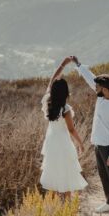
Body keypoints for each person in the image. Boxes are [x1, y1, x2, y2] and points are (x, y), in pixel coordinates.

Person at [71, 56, 109, 216]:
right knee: (104, 175)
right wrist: (79, 65)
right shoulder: (104, 94)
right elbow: (92, 79)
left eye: (97, 86)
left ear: (104, 88)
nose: (94, 87)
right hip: (98, 143)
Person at [39, 56, 88, 195]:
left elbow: (51, 81)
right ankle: (66, 204)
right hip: (63, 142)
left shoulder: (48, 103)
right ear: (66, 92)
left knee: (53, 170)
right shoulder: (65, 109)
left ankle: (54, 206)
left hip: (51, 141)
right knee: (66, 171)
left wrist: (63, 65)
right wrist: (80, 144)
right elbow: (71, 129)